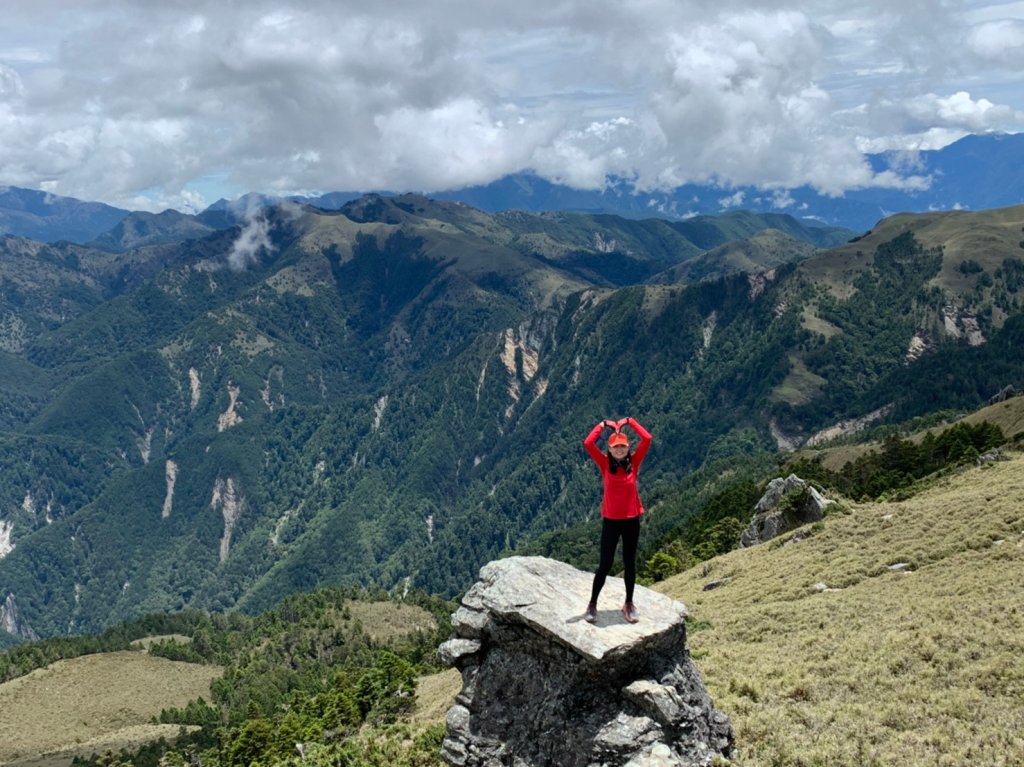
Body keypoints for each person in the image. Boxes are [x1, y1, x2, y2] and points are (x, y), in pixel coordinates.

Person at [582, 416, 652, 624]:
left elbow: (647, 439)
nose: (619, 450)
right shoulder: (604, 463)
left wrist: (630, 421)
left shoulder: (634, 462)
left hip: (631, 519)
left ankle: (629, 603)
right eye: (615, 447)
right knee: (605, 564)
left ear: (628, 448)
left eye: (623, 446)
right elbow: (588, 443)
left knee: (630, 563)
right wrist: (603, 425)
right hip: (611, 521)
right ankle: (592, 603)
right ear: (609, 449)